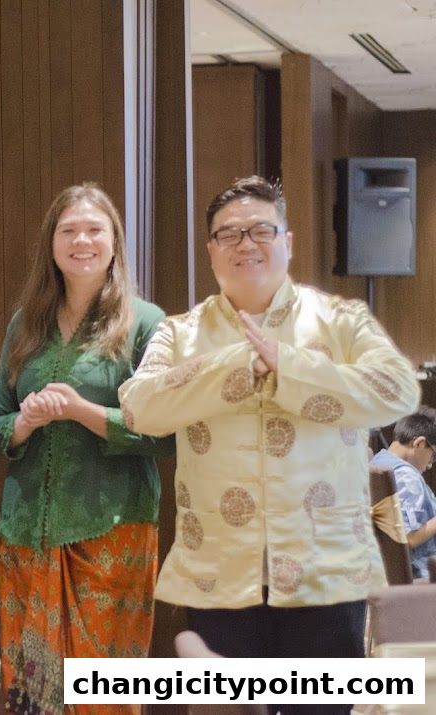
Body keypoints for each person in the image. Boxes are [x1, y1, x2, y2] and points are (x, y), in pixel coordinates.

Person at [119, 176, 419, 713]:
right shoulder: (179, 332)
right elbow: (139, 408)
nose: (246, 243)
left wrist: (290, 365)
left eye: (261, 230)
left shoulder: (342, 320)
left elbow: (397, 389)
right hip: (218, 576)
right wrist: (237, 365)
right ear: (211, 249)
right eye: (229, 234)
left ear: (288, 241)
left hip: (325, 572)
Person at [0, 183, 170, 715]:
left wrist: (81, 411)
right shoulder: (26, 324)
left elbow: (163, 433)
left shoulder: (145, 323)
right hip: (26, 535)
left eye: (94, 230)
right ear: (51, 243)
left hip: (110, 534)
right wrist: (24, 422)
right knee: (34, 696)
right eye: (68, 230)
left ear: (114, 243)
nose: (81, 241)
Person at [370, 407, 436, 580]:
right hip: (423, 572)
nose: (430, 465)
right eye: (433, 456)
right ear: (419, 443)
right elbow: (407, 538)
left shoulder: (378, 462)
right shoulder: (408, 477)